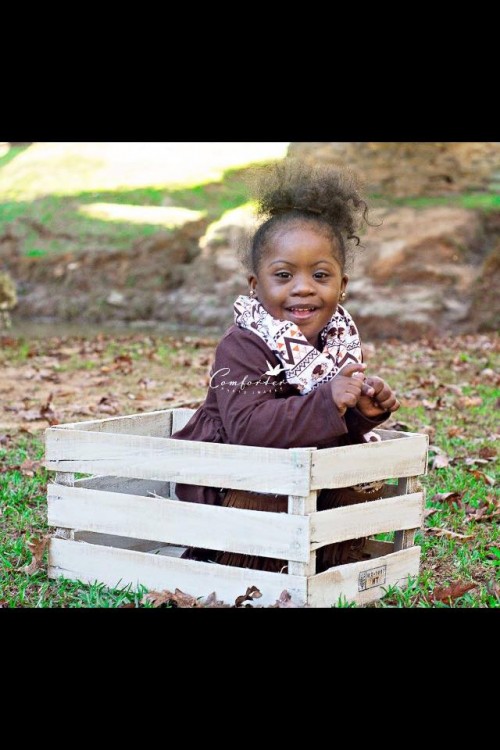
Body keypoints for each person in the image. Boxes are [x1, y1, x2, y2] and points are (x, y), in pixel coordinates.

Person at [171, 159, 400, 573]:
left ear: (341, 285)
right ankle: (251, 566)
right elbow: (251, 430)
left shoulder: (337, 342)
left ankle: (322, 564)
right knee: (271, 484)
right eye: (283, 274)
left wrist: (361, 416)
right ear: (256, 286)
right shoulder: (242, 345)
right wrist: (329, 401)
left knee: (353, 475)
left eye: (320, 274)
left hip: (299, 477)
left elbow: (322, 426)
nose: (303, 287)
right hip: (232, 484)